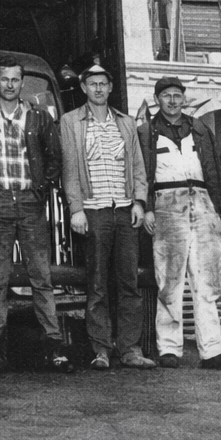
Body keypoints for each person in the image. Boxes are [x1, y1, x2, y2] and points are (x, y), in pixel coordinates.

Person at [0, 56, 71, 374]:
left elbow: (54, 156)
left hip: (29, 204)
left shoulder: (37, 117)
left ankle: (53, 346)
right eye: (4, 79)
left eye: (15, 79)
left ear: (22, 83)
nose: (9, 84)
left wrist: (40, 189)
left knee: (41, 277)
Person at [59, 57, 156, 371]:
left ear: (110, 88)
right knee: (97, 284)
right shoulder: (71, 121)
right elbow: (69, 171)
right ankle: (101, 349)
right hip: (94, 211)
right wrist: (76, 209)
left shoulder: (125, 122)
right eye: (93, 84)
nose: (98, 89)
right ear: (84, 87)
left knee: (129, 283)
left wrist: (139, 203)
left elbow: (139, 169)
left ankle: (130, 349)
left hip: (124, 211)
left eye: (104, 84)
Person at [138, 76, 221, 371]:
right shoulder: (145, 132)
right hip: (167, 204)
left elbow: (215, 171)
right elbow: (142, 174)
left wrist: (219, 210)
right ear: (157, 99)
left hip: (202, 202)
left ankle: (212, 351)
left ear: (184, 98)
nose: (173, 100)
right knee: (169, 281)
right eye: (166, 95)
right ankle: (169, 349)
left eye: (177, 95)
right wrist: (148, 208)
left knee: (207, 281)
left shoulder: (200, 129)